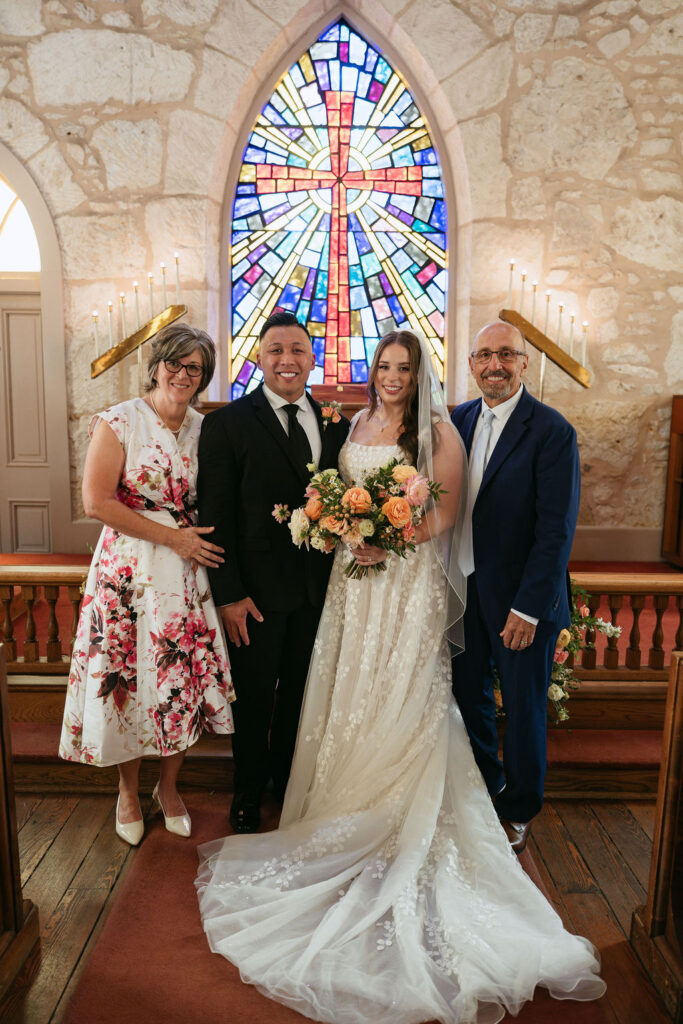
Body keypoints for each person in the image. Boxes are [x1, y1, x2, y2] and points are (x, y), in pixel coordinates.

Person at [195, 329, 605, 1024]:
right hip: (352, 587)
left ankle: (496, 812)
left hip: (405, 581)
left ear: (420, 374)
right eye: (383, 366)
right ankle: (340, 801)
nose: (390, 376)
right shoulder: (350, 424)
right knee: (350, 687)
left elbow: (444, 514)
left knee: (413, 692)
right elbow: (327, 492)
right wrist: (336, 527)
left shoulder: (443, 430)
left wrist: (379, 537)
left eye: (403, 367)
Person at [59, 323, 235, 845]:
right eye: (174, 364)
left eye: (194, 368)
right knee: (129, 677)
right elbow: (97, 503)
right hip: (129, 574)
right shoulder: (119, 422)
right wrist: (172, 537)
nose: (182, 374)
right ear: (156, 365)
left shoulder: (208, 430)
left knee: (177, 681)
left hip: (185, 576)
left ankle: (170, 788)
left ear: (203, 377)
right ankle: (128, 791)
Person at [197, 310, 349, 833]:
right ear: (259, 358)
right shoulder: (227, 424)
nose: (287, 360)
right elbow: (214, 519)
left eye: (297, 351)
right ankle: (246, 791)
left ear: (312, 360)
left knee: (301, 697)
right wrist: (229, 595)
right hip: (255, 595)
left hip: (316, 590)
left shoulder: (335, 424)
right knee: (256, 695)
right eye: (276, 350)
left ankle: (285, 783)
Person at [451, 320, 581, 854]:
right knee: (469, 697)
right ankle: (484, 791)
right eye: (484, 356)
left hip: (521, 601)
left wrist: (528, 609)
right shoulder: (456, 420)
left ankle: (519, 809)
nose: (494, 365)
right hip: (465, 591)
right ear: (472, 365)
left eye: (506, 354)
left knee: (524, 708)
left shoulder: (551, 431)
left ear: (524, 364)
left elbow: (556, 531)